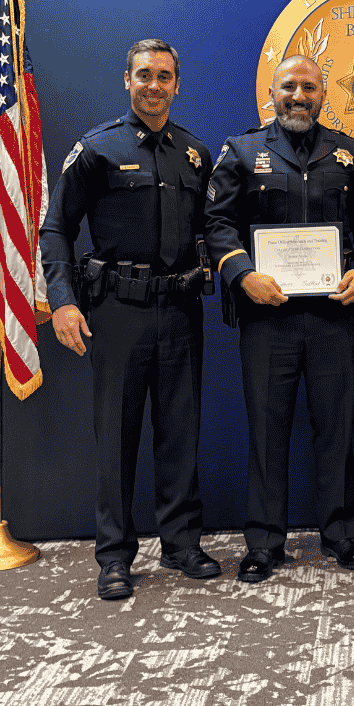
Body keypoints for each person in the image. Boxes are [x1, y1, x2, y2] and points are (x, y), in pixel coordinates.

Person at [40, 39, 218, 600]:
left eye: (165, 76)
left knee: (179, 431)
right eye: (144, 75)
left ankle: (181, 542)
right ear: (127, 79)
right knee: (117, 437)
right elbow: (56, 229)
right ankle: (114, 555)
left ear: (177, 84)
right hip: (117, 311)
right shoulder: (96, 149)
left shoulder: (195, 153)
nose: (154, 85)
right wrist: (63, 299)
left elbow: (212, 231)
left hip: (181, 309)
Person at [204, 54, 354, 583]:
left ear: (323, 95)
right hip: (268, 319)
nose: (299, 96)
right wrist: (242, 274)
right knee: (267, 429)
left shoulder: (349, 154)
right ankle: (264, 542)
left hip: (333, 316)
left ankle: (341, 536)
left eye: (309, 87)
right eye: (290, 87)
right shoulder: (242, 151)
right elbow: (217, 224)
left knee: (337, 427)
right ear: (273, 92)